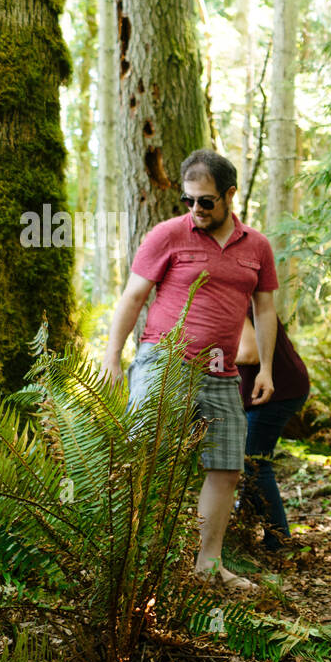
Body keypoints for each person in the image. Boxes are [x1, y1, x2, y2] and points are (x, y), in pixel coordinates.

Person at [103, 149, 278, 591]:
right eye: (188, 201)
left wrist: (267, 370)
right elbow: (133, 298)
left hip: (222, 372)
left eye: (205, 201)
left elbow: (266, 308)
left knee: (225, 469)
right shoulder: (166, 236)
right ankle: (125, 564)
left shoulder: (256, 247)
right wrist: (112, 356)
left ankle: (208, 566)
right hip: (165, 361)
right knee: (144, 459)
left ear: (230, 195)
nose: (195, 210)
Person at [235, 310, 309, 551]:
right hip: (271, 391)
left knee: (254, 462)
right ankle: (239, 530)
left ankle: (279, 542)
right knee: (248, 462)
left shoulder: (235, 298)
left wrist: (202, 355)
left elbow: (248, 352)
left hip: (278, 392)